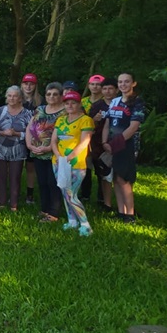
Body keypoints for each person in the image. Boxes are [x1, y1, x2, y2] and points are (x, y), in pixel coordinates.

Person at [51, 90, 95, 236]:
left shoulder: (85, 120)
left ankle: (85, 224)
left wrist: (69, 157)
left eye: (73, 103)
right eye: (67, 103)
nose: (70, 105)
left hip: (75, 163)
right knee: (64, 192)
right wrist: (58, 155)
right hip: (58, 161)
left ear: (78, 104)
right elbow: (54, 140)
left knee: (71, 194)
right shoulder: (61, 120)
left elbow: (84, 142)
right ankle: (72, 221)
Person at [103, 72, 146, 224]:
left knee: (124, 179)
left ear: (133, 83)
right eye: (120, 82)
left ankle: (130, 215)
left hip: (126, 145)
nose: (123, 84)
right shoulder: (114, 101)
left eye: (126, 82)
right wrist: (104, 142)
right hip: (112, 146)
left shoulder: (137, 102)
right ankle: (121, 212)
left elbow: (133, 126)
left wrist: (115, 144)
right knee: (116, 178)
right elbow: (108, 123)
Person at [25, 82, 65, 223]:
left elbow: (67, 134)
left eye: (55, 94)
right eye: (49, 94)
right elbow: (30, 127)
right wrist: (29, 145)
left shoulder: (65, 112)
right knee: (42, 182)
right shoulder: (40, 109)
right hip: (37, 151)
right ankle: (44, 209)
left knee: (52, 182)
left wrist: (49, 148)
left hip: (55, 153)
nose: (51, 97)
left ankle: (53, 213)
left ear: (61, 96)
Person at [0, 86, 33, 211]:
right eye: (9, 95)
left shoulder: (28, 114)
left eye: (15, 96)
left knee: (15, 177)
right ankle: (2, 203)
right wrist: (1, 133)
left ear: (20, 98)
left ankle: (14, 205)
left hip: (18, 149)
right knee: (0, 176)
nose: (12, 98)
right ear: (6, 97)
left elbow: (31, 134)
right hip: (0, 148)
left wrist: (16, 134)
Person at [87, 77, 117, 210]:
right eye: (105, 88)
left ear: (116, 90)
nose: (107, 91)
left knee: (114, 175)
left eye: (110, 88)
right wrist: (95, 119)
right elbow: (88, 125)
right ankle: (98, 199)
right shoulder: (97, 106)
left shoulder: (120, 105)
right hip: (97, 144)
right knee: (99, 171)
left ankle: (106, 201)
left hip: (117, 143)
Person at [79, 74, 105, 201]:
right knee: (86, 167)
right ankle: (85, 194)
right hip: (86, 139)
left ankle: (102, 197)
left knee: (101, 168)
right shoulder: (83, 101)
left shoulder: (107, 101)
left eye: (98, 84)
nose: (95, 87)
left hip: (101, 140)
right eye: (92, 84)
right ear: (88, 86)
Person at [20, 73, 42, 204]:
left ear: (35, 86)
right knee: (15, 167)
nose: (28, 86)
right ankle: (14, 192)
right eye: (25, 83)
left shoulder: (41, 101)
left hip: (34, 137)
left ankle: (30, 194)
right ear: (22, 84)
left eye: (31, 84)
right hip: (17, 137)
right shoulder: (16, 98)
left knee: (30, 167)